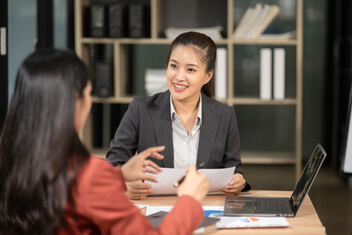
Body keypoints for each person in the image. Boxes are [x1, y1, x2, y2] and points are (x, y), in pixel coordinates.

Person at [0, 49, 209, 235]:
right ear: (74, 101)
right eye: (89, 93)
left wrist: (119, 175)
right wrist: (189, 200)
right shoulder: (90, 174)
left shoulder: (11, 160)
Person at [107, 31, 249, 200]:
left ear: (207, 76)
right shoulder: (140, 109)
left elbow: (233, 170)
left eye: (190, 69)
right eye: (173, 66)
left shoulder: (224, 115)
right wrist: (122, 186)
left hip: (205, 208)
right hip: (155, 208)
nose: (179, 77)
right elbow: (113, 166)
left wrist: (238, 181)